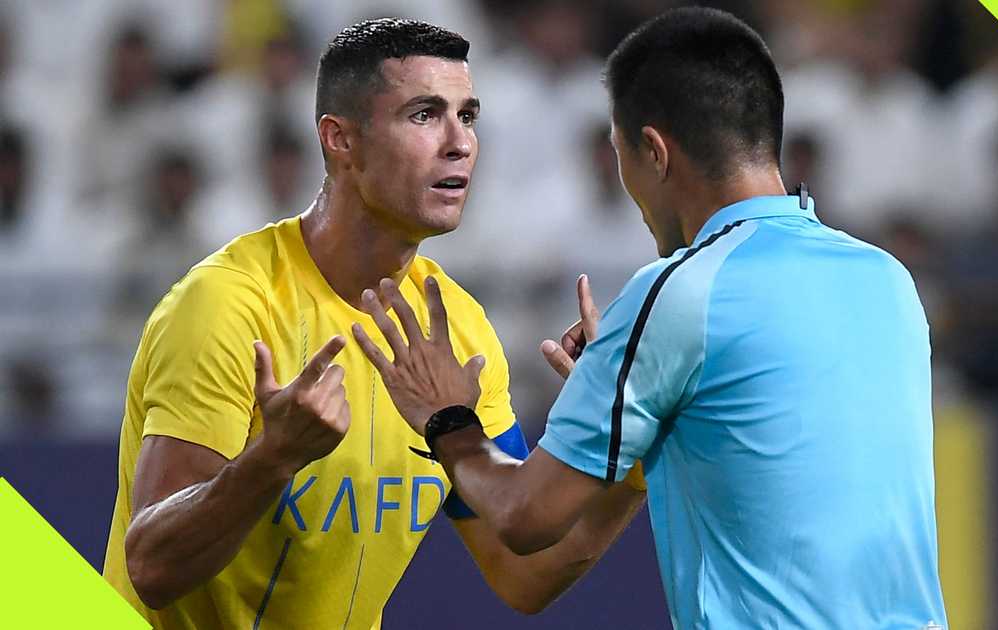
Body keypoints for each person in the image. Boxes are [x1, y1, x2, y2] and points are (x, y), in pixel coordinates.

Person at [355, 8, 948, 629]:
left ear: (656, 153)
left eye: (622, 155)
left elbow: (523, 518)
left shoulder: (678, 292)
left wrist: (449, 420)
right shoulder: (888, 278)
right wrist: (629, 401)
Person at [102, 18, 646, 629]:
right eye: (424, 115)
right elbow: (152, 566)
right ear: (340, 140)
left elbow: (523, 571)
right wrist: (273, 458)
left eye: (468, 116)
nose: (460, 143)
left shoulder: (460, 331)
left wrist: (628, 449)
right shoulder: (226, 305)